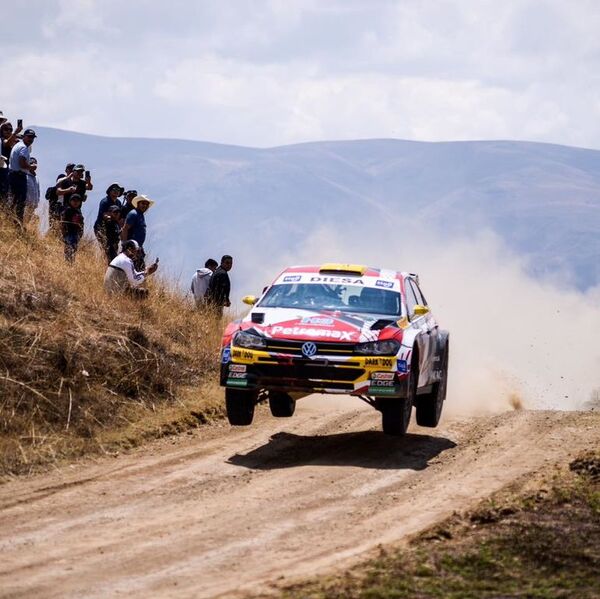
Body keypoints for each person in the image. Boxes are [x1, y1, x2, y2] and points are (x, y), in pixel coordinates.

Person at [8, 128, 36, 224]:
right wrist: (31, 167)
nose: (31, 139)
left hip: (13, 175)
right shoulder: (24, 148)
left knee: (14, 200)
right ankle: (18, 223)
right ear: (24, 136)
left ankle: (10, 219)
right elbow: (22, 164)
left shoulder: (18, 145)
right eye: (29, 137)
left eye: (32, 137)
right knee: (20, 201)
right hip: (19, 176)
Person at [120, 194, 154, 270]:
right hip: (131, 248)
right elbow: (125, 229)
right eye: (143, 203)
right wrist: (125, 246)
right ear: (138, 204)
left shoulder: (140, 215)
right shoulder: (133, 214)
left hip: (138, 248)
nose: (145, 206)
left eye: (146, 204)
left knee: (139, 271)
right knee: (134, 271)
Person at [94, 182, 124, 258]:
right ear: (110, 191)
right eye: (114, 189)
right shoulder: (104, 201)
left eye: (118, 190)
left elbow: (119, 218)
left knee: (114, 248)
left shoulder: (118, 203)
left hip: (113, 229)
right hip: (102, 228)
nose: (116, 191)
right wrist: (110, 217)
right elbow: (103, 214)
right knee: (106, 248)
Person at [0, 120, 23, 206]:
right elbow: (6, 143)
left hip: (9, 172)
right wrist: (15, 133)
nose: (8, 131)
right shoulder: (2, 140)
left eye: (10, 129)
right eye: (6, 129)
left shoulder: (13, 141)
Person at [61, 194, 84, 263]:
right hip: (68, 233)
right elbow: (62, 222)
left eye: (78, 201)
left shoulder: (79, 212)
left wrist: (81, 233)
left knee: (74, 249)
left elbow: (81, 223)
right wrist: (64, 233)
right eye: (73, 200)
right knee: (69, 248)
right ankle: (68, 262)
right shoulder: (67, 210)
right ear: (70, 201)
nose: (75, 202)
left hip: (76, 234)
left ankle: (71, 262)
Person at [24, 157, 40, 225]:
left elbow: (38, 191)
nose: (33, 165)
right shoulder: (25, 176)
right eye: (31, 163)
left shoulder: (36, 178)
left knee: (28, 223)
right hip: (26, 205)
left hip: (33, 206)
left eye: (35, 164)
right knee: (23, 221)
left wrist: (37, 201)